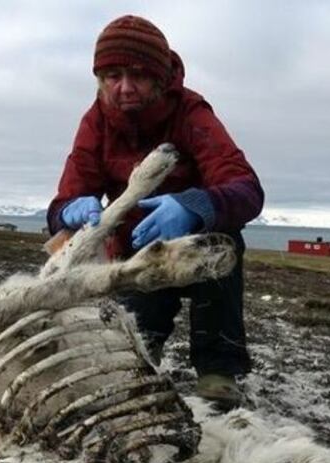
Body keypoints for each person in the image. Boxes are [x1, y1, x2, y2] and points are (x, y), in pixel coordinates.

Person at [46, 15, 264, 409]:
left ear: (160, 77)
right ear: (99, 78)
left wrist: (194, 206)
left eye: (138, 75)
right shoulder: (95, 122)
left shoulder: (191, 114)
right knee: (133, 349)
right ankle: (141, 358)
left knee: (225, 244)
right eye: (112, 75)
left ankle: (218, 372)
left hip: (197, 242)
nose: (124, 88)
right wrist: (67, 212)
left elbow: (246, 189)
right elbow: (66, 198)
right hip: (134, 250)